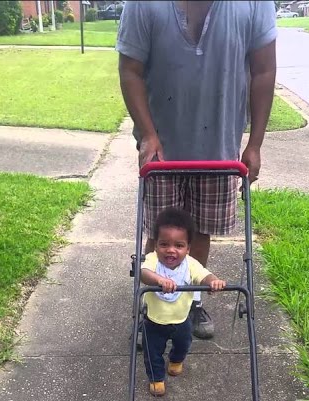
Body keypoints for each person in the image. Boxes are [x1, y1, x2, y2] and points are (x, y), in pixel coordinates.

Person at [117, 1, 277, 341]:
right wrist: (148, 134)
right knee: (161, 231)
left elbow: (263, 70)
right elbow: (130, 69)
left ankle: (191, 301)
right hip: (162, 146)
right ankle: (153, 305)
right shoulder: (142, 5)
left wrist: (255, 144)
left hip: (220, 145)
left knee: (200, 230)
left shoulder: (255, 4)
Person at [138, 208, 225, 397]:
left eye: (179, 245)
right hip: (154, 321)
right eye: (164, 244)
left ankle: (176, 360)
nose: (171, 250)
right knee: (152, 352)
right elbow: (143, 273)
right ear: (156, 246)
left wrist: (213, 282)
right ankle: (156, 378)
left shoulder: (190, 264)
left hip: (182, 320)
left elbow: (204, 275)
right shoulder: (152, 261)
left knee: (184, 344)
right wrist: (159, 280)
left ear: (188, 248)